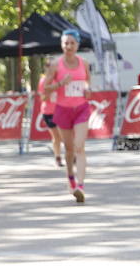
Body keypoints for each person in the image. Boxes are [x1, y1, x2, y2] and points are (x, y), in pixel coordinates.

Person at [46, 28, 92, 202]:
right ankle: (70, 177)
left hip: (81, 108)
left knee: (79, 146)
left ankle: (80, 185)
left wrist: (87, 89)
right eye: (66, 43)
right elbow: (45, 89)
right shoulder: (56, 65)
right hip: (63, 109)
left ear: (77, 45)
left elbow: (87, 80)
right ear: (62, 45)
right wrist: (60, 83)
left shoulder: (84, 63)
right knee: (69, 148)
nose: (69, 46)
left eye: (72, 43)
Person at [36, 67, 64, 166]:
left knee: (64, 135)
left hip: (61, 110)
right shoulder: (43, 81)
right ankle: (58, 158)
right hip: (48, 112)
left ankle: (71, 155)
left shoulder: (60, 79)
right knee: (56, 136)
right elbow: (42, 98)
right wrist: (49, 91)